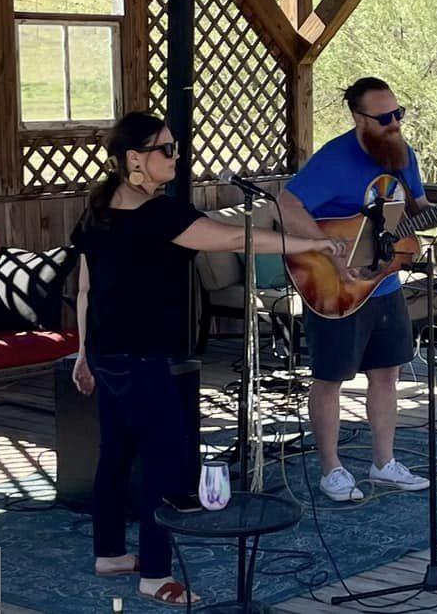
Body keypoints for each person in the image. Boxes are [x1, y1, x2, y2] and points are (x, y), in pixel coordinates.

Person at [72, 112, 340, 608]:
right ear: (135, 159)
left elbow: (87, 290)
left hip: (109, 352)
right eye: (165, 150)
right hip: (143, 357)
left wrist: (84, 352)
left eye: (175, 147)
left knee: (115, 453)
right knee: (164, 463)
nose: (176, 157)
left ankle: (109, 552)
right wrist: (312, 244)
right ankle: (155, 574)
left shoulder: (99, 210)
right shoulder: (160, 216)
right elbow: (239, 237)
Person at [275, 77, 437, 504]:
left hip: (383, 284)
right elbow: (287, 205)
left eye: (399, 114)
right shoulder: (334, 159)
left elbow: (416, 216)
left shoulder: (403, 156)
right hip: (332, 284)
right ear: (359, 118)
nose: (394, 123)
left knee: (387, 373)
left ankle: (384, 462)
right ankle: (332, 469)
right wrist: (326, 246)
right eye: (384, 118)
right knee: (330, 377)